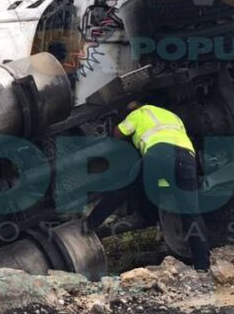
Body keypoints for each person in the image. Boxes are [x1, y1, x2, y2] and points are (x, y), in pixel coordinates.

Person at [84, 100, 212, 270]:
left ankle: (91, 224)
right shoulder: (173, 116)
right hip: (187, 158)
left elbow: (118, 133)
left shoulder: (140, 113)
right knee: (191, 213)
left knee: (125, 186)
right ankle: (203, 265)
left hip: (159, 153)